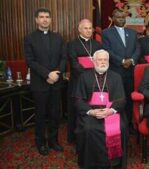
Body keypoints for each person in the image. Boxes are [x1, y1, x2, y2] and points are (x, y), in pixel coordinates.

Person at [75, 49, 128, 169]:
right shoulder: (84, 76)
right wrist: (91, 111)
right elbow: (78, 100)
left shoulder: (116, 77)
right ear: (93, 61)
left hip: (110, 112)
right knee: (89, 128)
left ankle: (114, 162)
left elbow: (122, 100)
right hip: (92, 112)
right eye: (100, 59)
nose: (103, 62)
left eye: (105, 60)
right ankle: (92, 163)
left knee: (121, 127)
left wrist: (110, 111)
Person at [24, 8, 66, 155]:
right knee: (41, 114)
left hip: (56, 82)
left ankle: (53, 141)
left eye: (47, 17)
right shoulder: (30, 38)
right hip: (40, 83)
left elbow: (63, 58)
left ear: (50, 19)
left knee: (55, 114)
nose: (45, 19)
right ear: (36, 20)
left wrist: (56, 74)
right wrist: (47, 74)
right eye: (41, 17)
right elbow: (30, 61)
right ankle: (40, 142)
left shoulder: (58, 37)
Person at [102, 9, 140, 133]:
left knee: (129, 98)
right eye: (118, 17)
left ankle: (128, 124)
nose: (121, 20)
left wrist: (132, 60)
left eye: (123, 17)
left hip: (130, 72)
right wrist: (122, 61)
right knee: (116, 98)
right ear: (113, 18)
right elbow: (107, 50)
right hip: (115, 71)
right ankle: (116, 123)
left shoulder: (133, 33)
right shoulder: (106, 33)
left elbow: (138, 49)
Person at [67, 19, 102, 143]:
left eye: (90, 28)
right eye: (85, 28)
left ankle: (93, 134)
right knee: (76, 108)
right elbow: (74, 64)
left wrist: (94, 76)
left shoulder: (97, 44)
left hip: (96, 82)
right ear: (79, 29)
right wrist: (88, 76)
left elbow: (101, 62)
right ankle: (74, 137)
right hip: (78, 81)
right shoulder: (72, 44)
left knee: (93, 106)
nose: (88, 31)